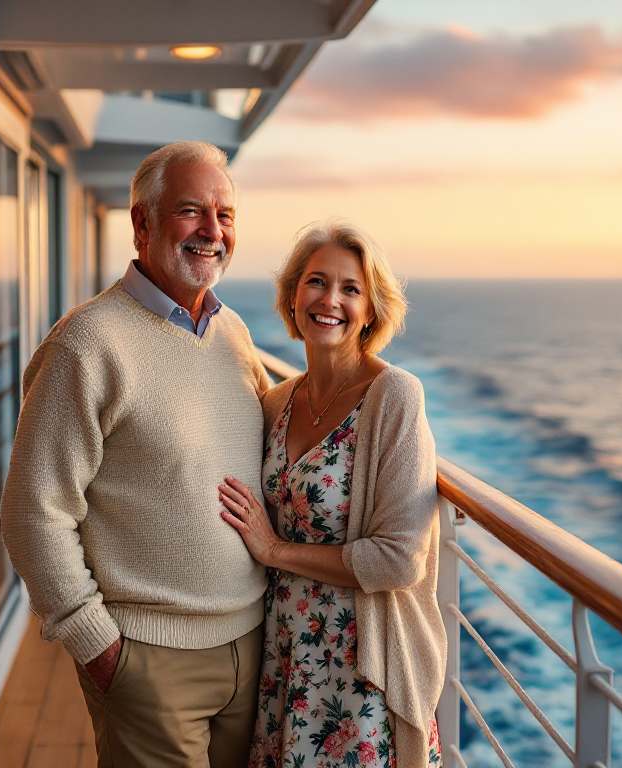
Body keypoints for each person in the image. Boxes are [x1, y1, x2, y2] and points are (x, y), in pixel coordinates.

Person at [1, 141, 272, 768]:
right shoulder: (86, 343)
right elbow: (32, 513)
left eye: (225, 214)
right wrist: (98, 646)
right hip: (149, 660)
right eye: (190, 211)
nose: (212, 231)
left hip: (254, 644)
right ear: (142, 222)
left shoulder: (232, 334)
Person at [218, 221, 445, 767]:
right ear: (293, 295)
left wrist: (275, 551)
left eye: (351, 289)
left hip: (359, 673)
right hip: (285, 660)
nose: (331, 300)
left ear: (372, 310)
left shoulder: (394, 396)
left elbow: (398, 560)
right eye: (317, 282)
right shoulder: (276, 403)